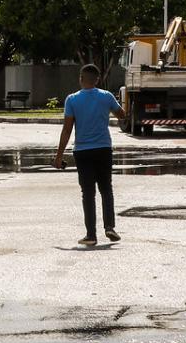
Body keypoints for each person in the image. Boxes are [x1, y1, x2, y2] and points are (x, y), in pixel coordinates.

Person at [54, 63, 122, 247]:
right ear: (98, 80)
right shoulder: (106, 96)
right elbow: (122, 115)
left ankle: (91, 235)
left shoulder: (72, 100)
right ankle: (109, 227)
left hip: (82, 151)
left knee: (88, 193)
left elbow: (67, 130)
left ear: (81, 79)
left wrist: (59, 156)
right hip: (103, 149)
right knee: (106, 189)